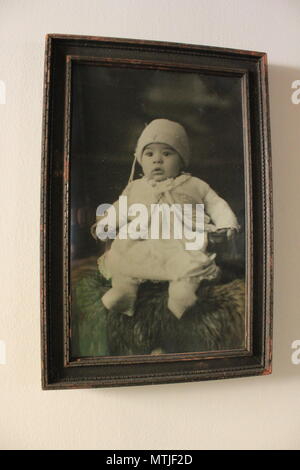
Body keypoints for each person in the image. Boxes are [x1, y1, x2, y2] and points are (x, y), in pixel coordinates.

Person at [92, 119, 240, 319]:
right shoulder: (135, 187)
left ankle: (182, 295)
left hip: (181, 242)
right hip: (142, 241)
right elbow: (120, 208)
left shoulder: (195, 184)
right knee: (126, 259)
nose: (157, 160)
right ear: (140, 159)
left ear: (181, 159)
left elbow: (216, 204)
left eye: (167, 153)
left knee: (188, 264)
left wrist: (226, 223)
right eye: (149, 153)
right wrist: (106, 224)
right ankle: (125, 292)